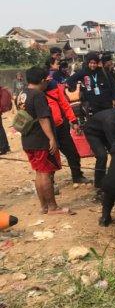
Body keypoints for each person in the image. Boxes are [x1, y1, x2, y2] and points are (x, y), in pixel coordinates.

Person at [15, 66, 70, 214]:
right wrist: (51, 138)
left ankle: (43, 207)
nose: (47, 82)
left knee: (39, 172)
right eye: (46, 80)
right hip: (40, 140)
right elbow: (43, 118)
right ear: (41, 80)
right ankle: (52, 207)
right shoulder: (38, 95)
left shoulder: (22, 94)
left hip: (27, 140)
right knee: (45, 173)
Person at [45, 59, 89, 184]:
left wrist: (74, 121)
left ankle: (77, 176)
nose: (48, 81)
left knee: (72, 152)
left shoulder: (56, 87)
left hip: (60, 126)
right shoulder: (35, 93)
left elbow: (65, 105)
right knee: (50, 157)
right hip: (45, 129)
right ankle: (49, 182)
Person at [66, 51, 115, 116]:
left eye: (95, 63)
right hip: (93, 104)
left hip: (106, 102)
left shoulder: (103, 72)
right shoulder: (83, 72)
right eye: (91, 63)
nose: (93, 65)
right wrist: (81, 87)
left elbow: (113, 85)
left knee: (108, 121)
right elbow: (69, 81)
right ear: (88, 62)